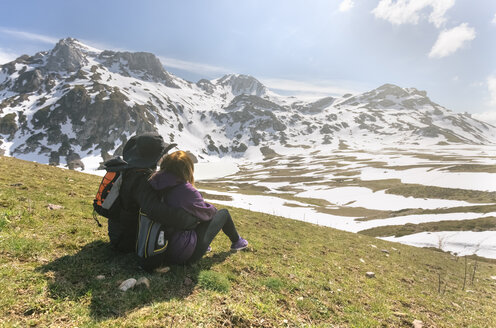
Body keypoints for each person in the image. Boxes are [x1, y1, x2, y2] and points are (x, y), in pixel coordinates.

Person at [148, 150, 248, 264]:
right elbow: (208, 214)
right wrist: (209, 207)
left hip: (158, 247)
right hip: (182, 252)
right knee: (223, 213)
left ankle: (209, 246)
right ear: (186, 169)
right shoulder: (186, 190)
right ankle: (237, 241)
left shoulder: (154, 182)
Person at [105, 133, 199, 252]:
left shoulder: (128, 170)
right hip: (128, 241)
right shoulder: (142, 179)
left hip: (118, 233)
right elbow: (155, 210)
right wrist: (189, 220)